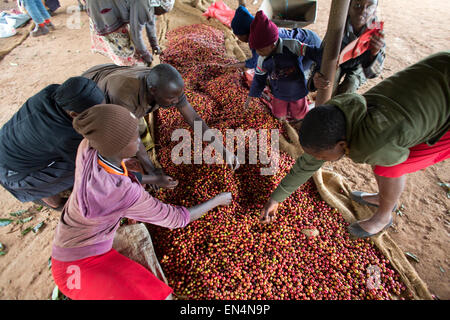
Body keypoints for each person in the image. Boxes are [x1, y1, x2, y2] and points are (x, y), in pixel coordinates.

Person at [51, 104, 233, 300]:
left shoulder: (89, 146)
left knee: (155, 290)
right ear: (119, 147)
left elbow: (114, 176)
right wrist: (217, 200)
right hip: (78, 268)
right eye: (134, 138)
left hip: (78, 247)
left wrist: (153, 179)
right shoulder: (122, 192)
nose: (140, 142)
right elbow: (177, 219)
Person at [260, 52, 450, 238]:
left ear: (342, 144)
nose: (320, 161)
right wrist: (277, 198)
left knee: (390, 166)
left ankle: (384, 216)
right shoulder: (338, 115)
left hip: (442, 100)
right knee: (382, 158)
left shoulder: (373, 144)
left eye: (323, 158)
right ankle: (381, 198)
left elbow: (396, 162)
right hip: (437, 71)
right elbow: (310, 160)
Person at [81, 63, 240, 174]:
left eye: (179, 96)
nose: (176, 101)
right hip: (92, 89)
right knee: (116, 139)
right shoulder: (124, 95)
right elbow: (132, 134)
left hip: (111, 74)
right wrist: (152, 169)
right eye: (171, 99)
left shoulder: (170, 88)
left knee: (139, 127)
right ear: (153, 90)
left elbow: (193, 118)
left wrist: (222, 149)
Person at [0, 77, 104, 209]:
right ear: (73, 114)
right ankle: (51, 201)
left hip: (9, 143)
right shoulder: (63, 135)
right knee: (83, 164)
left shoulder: (52, 92)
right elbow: (92, 165)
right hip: (14, 173)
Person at [244, 11, 322, 122]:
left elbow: (312, 52)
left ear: (272, 44)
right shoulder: (262, 58)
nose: (258, 52)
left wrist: (322, 59)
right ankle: (282, 118)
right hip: (279, 93)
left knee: (299, 114)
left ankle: (300, 118)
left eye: (260, 49)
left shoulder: (292, 45)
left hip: (297, 90)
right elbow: (259, 78)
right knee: (278, 114)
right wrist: (252, 95)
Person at [310, 0, 385, 95]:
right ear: (348, 7)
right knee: (327, 83)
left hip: (359, 64)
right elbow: (323, 53)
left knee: (350, 85)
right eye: (357, 5)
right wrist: (316, 75)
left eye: (369, 7)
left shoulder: (376, 30)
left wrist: (374, 54)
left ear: (375, 10)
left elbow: (374, 72)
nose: (363, 11)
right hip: (336, 60)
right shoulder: (339, 24)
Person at [228, 4, 322, 77]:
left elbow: (256, 61)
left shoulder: (264, 39)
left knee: (295, 74)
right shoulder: (257, 36)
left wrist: (237, 65)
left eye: (238, 34)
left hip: (310, 44)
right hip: (304, 38)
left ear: (246, 33)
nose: (237, 37)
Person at [84, 0, 174, 66]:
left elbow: (150, 22)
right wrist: (146, 55)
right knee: (126, 51)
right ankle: (128, 71)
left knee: (135, 51)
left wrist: (155, 45)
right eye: (162, 12)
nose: (160, 14)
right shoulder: (142, 4)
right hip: (104, 11)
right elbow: (136, 34)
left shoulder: (150, 3)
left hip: (112, 5)